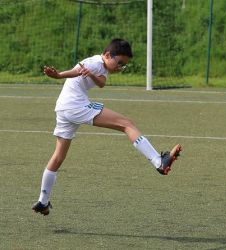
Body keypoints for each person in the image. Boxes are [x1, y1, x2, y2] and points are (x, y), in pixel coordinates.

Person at [32, 38, 182, 216]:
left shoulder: (101, 66)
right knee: (127, 124)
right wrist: (58, 76)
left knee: (58, 157)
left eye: (123, 65)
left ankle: (43, 201)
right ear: (107, 55)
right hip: (76, 106)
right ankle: (159, 161)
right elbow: (76, 71)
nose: (120, 67)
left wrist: (91, 76)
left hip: (64, 109)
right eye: (119, 63)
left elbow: (101, 83)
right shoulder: (94, 62)